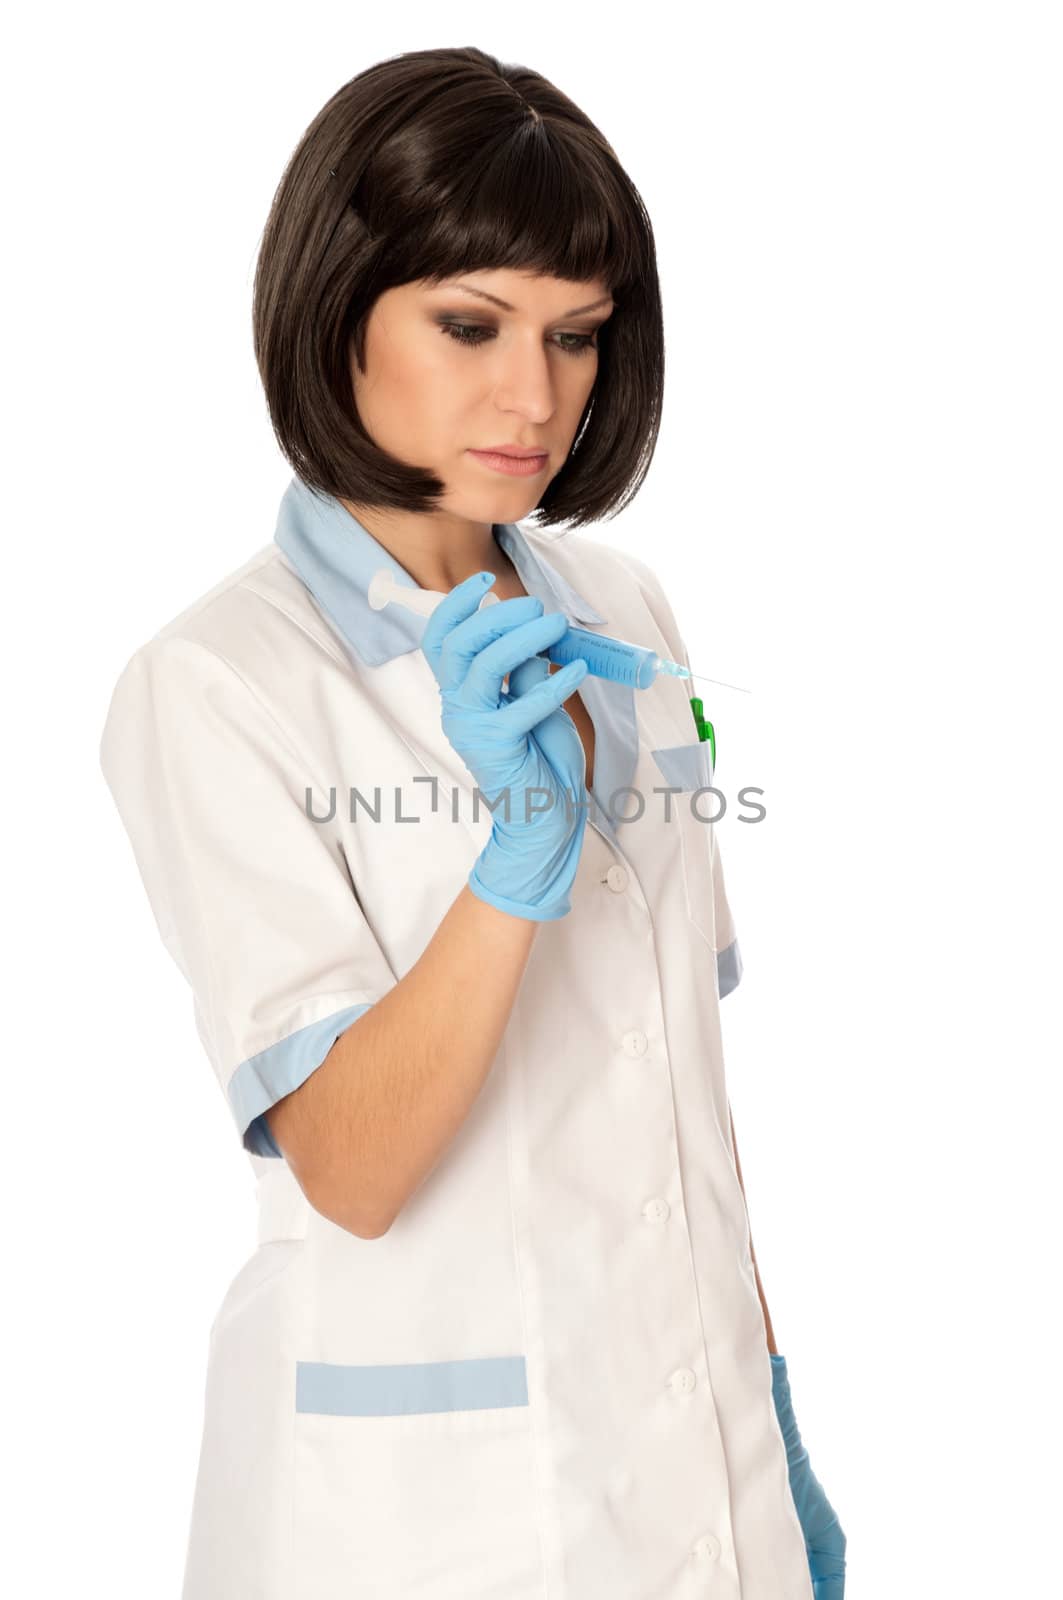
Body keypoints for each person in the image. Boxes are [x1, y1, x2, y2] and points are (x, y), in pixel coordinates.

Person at [98, 44, 846, 1600]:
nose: (537, 395)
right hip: (426, 1524)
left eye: (576, 337)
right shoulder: (216, 683)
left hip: (702, 1491)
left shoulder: (623, 614)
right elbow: (352, 1168)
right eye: (469, 324)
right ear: (336, 310)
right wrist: (516, 866)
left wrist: (770, 1420)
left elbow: (678, 1098)